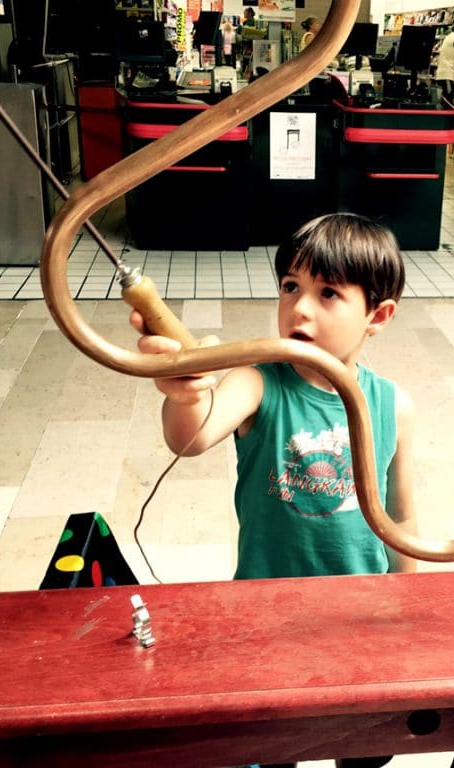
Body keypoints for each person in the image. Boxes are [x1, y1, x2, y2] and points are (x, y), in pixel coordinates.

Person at [131, 213, 419, 583]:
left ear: (377, 316)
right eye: (291, 287)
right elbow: (189, 437)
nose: (299, 308)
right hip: (265, 597)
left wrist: (404, 592)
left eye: (328, 293)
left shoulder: (394, 406)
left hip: (362, 598)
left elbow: (400, 517)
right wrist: (186, 395)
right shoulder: (255, 384)